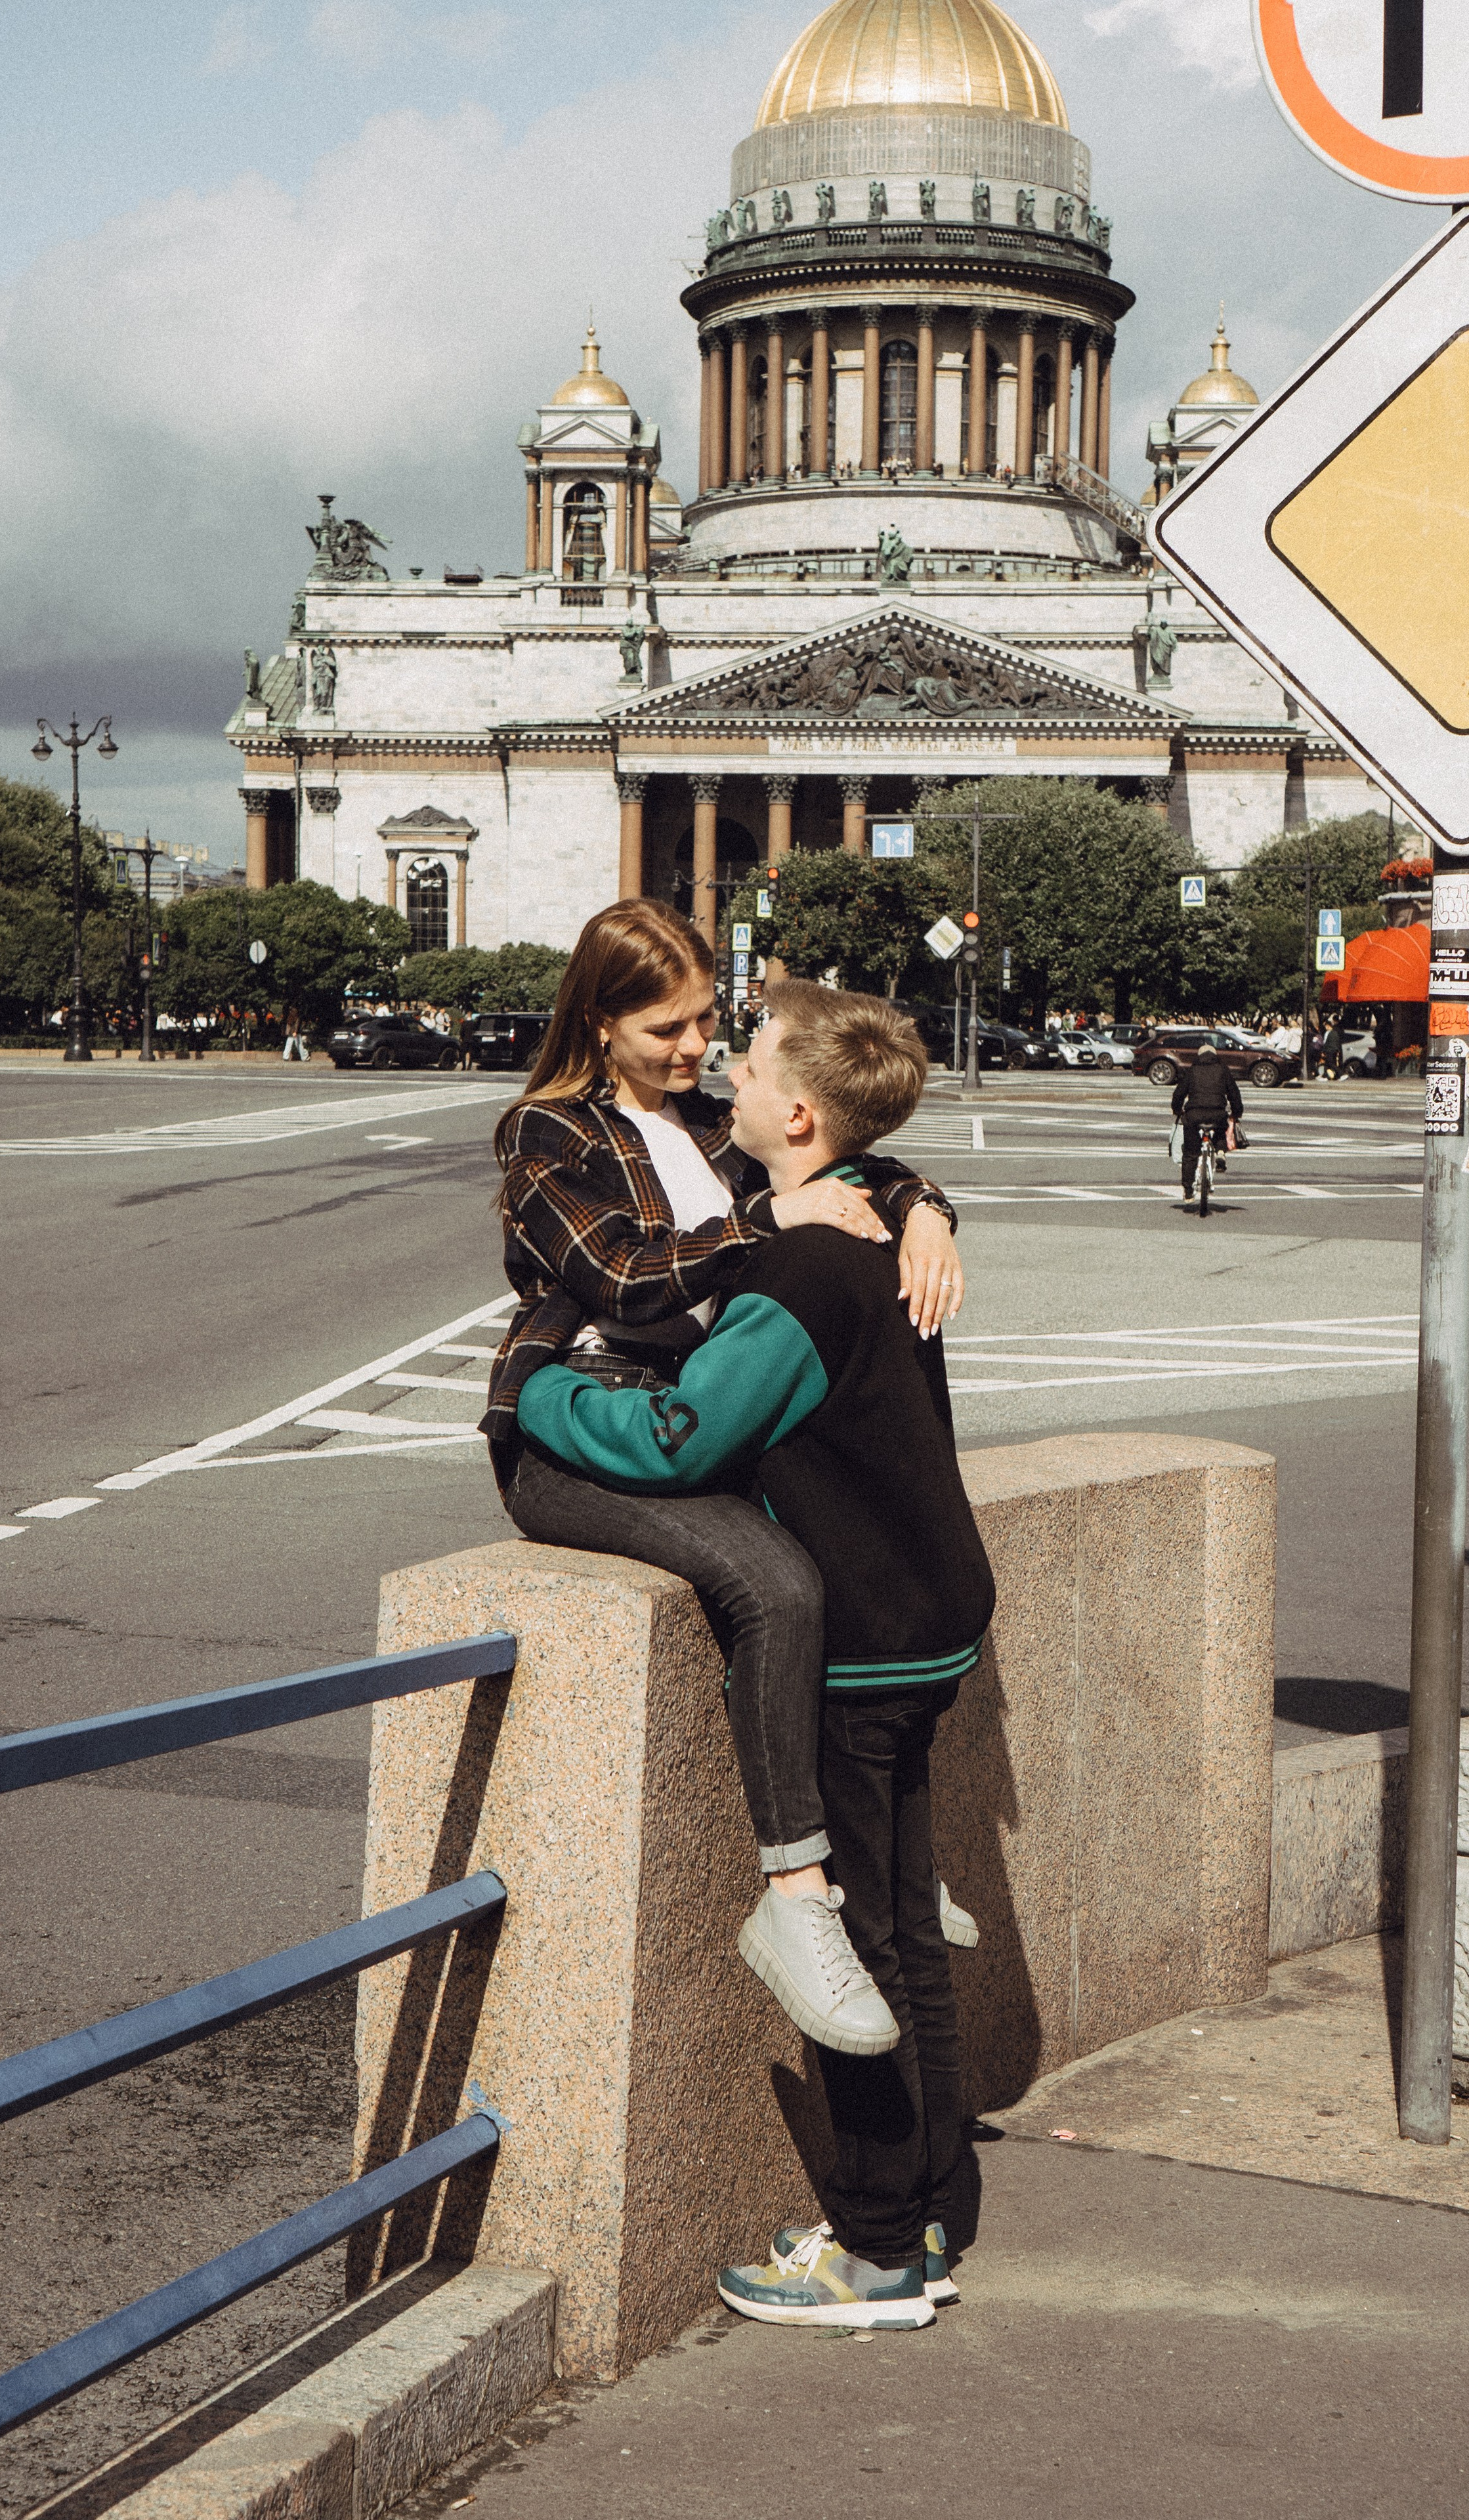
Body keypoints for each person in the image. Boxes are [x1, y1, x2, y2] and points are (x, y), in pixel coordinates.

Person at [516, 980, 995, 2331]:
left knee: (843, 1951)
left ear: (796, 1113)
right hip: (934, 1615)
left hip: (855, 1645)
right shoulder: (876, 1231)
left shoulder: (800, 1267)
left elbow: (679, 1442)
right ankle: (934, 2208)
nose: (722, 1071)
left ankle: (873, 2249)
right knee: (902, 1932)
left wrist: (549, 1395)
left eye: (748, 1057)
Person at [484, 900, 966, 2054]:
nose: (695, 1048)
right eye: (666, 1028)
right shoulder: (545, 1135)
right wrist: (771, 1227)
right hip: (577, 1429)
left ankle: (880, 1876)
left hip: (691, 1426)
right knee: (779, 1587)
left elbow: (842, 1144)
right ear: (599, 1023)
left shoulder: (706, 1127)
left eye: (707, 1021)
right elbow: (624, 1273)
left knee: (846, 1561)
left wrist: (928, 1210)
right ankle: (800, 1892)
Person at [1171, 1043, 1242, 1208]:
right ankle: (1221, 1152)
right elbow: (1234, 1094)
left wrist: (1177, 1110)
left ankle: (1188, 1190)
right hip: (1217, 1113)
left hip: (1194, 1114)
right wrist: (1237, 1113)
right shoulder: (1223, 1070)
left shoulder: (1192, 1070)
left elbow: (1179, 1093)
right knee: (1220, 1129)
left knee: (1190, 1153)